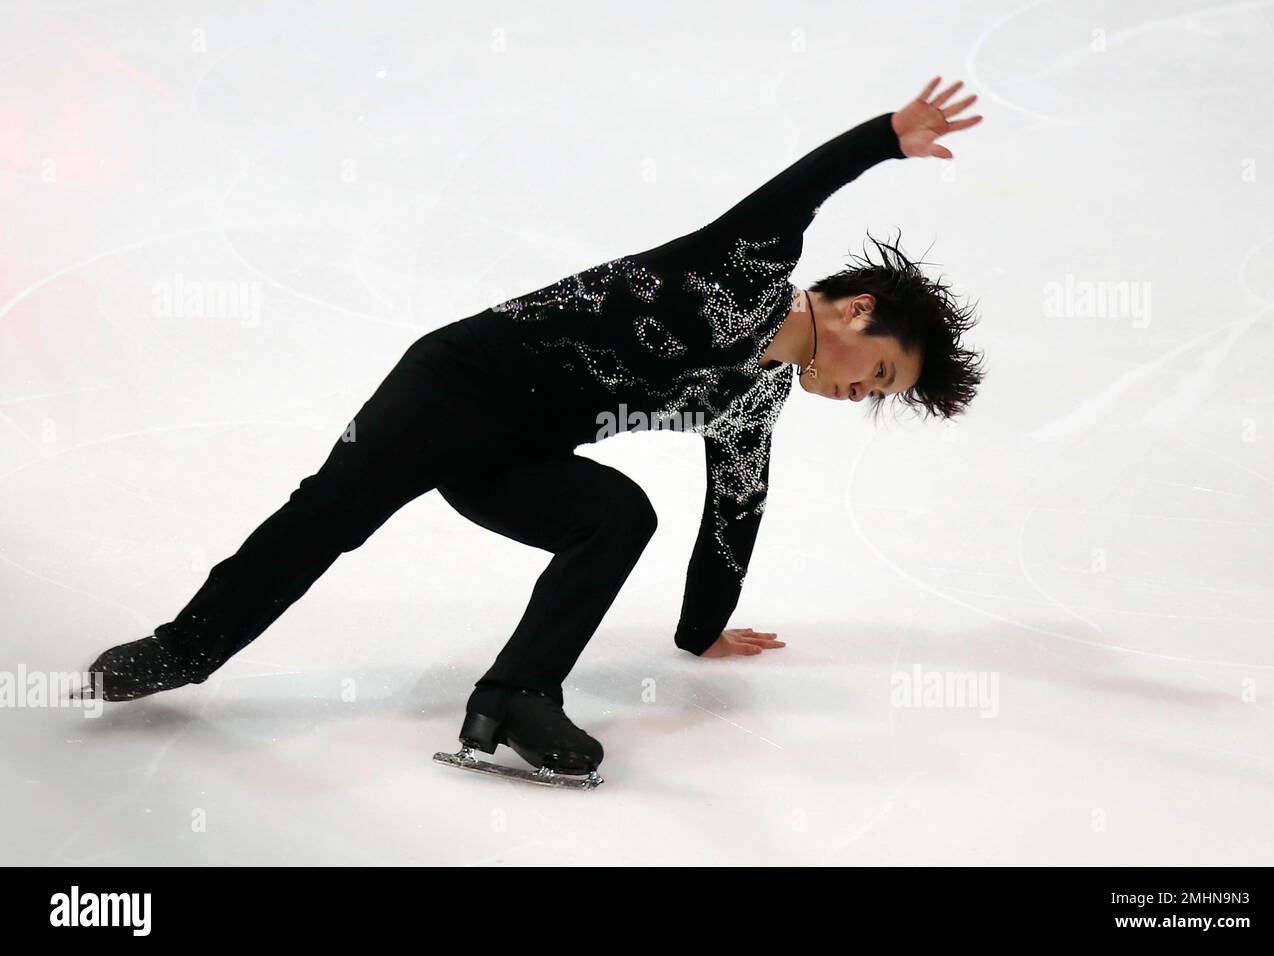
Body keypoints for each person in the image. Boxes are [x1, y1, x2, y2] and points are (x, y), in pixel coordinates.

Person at [81, 77, 985, 780]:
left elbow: (735, 509)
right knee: (332, 515)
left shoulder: (756, 398)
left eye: (882, 393)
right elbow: (798, 190)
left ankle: (514, 697)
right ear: (857, 311)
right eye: (881, 371)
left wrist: (701, 631)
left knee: (619, 514)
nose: (863, 391)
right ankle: (184, 648)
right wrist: (885, 140)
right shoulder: (747, 264)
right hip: (453, 386)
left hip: (519, 455)